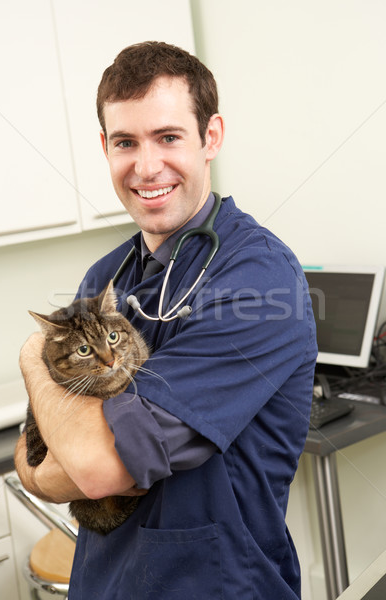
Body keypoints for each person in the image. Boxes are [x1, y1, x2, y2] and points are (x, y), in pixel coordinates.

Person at [16, 41, 317, 599]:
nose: (146, 165)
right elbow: (41, 442)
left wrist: (32, 357)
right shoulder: (106, 277)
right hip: (106, 582)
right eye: (126, 142)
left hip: (213, 585)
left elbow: (98, 469)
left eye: (169, 137)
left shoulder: (258, 280)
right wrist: (50, 466)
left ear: (211, 138)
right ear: (105, 147)